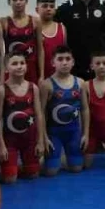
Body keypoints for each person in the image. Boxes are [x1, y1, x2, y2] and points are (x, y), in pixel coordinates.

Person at [0, 51, 43, 182]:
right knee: (10, 179)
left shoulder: (33, 87)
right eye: (14, 63)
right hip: (10, 141)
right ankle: (5, 165)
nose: (19, 66)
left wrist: (40, 141)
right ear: (6, 68)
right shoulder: (1, 89)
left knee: (33, 175)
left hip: (30, 139)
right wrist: (1, 145)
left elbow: (39, 115)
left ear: (26, 66)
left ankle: (18, 165)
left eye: (22, 63)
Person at [40, 45, 87, 174]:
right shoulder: (46, 85)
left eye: (67, 59)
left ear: (73, 62)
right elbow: (41, 113)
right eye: (60, 59)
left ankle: (66, 157)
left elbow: (85, 109)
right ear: (53, 63)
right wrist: (44, 137)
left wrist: (85, 134)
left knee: (77, 169)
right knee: (51, 172)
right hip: (54, 133)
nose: (64, 63)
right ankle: (46, 160)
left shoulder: (80, 83)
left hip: (73, 131)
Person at [0, 0, 41, 84]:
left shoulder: (35, 21)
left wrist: (42, 74)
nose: (18, 2)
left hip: (30, 68)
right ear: (9, 2)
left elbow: (40, 49)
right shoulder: (3, 22)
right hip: (11, 69)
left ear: (26, 1)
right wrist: (1, 75)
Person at [36, 0, 67, 78]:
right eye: (45, 6)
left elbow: (65, 54)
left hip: (57, 77)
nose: (48, 9)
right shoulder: (33, 29)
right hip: (37, 76)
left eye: (52, 6)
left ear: (55, 10)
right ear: (37, 10)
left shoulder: (62, 28)